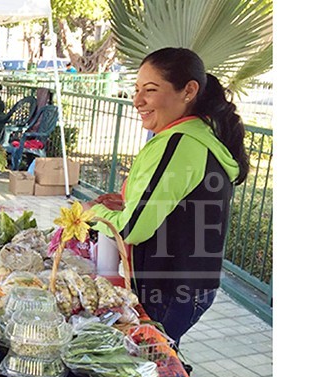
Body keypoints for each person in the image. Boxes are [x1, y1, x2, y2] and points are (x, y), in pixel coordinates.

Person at [86, 47, 249, 357]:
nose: (137, 101)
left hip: (173, 290)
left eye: (150, 90)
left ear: (188, 91)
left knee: (150, 365)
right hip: (180, 285)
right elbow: (163, 205)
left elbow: (133, 228)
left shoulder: (182, 143)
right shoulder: (184, 136)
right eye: (136, 90)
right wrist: (124, 204)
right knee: (156, 359)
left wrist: (90, 212)